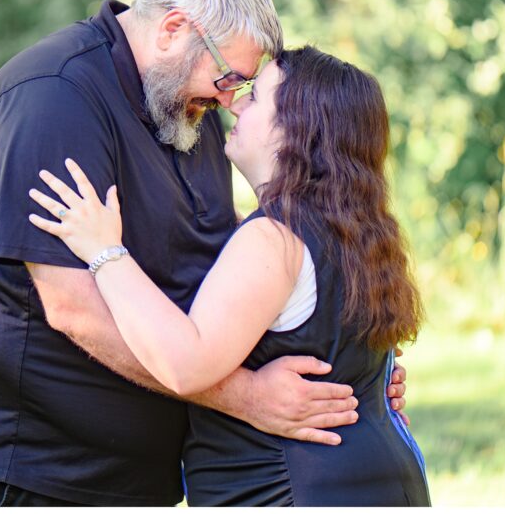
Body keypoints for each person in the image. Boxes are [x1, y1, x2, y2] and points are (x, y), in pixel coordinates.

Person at [0, 0, 410, 506]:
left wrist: (352, 372)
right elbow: (74, 307)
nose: (230, 99)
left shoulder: (190, 108)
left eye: (242, 86)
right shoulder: (55, 96)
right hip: (25, 464)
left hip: (135, 469)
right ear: (173, 29)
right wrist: (250, 397)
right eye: (229, 77)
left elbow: (232, 263)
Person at [29, 45, 430, 506]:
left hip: (291, 491)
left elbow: (184, 364)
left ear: (296, 130)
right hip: (383, 479)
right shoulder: (357, 232)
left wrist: (104, 251)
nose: (233, 103)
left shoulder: (274, 239)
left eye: (255, 97)